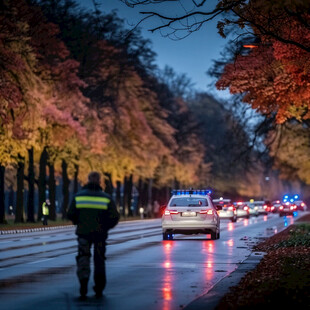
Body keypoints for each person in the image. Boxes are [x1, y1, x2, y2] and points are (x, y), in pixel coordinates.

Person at [67, 171, 120, 299]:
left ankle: (83, 283)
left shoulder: (79, 196)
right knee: (99, 260)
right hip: (100, 235)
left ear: (88, 179)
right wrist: (105, 227)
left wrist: (78, 223)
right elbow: (114, 217)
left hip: (83, 233)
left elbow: (70, 213)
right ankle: (99, 288)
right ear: (100, 181)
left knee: (83, 258)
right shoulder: (106, 198)